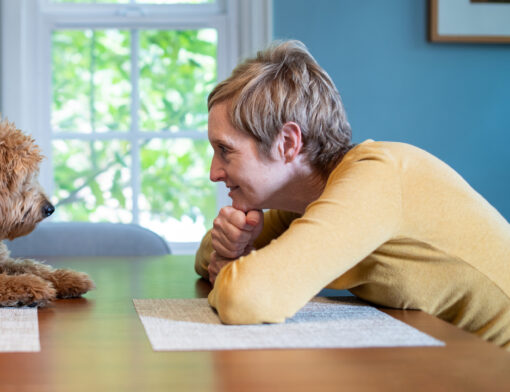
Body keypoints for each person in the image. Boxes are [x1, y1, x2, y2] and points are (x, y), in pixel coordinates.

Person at [195, 40, 510, 350]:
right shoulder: (304, 204)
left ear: (288, 143)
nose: (214, 172)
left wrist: (228, 271)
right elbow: (205, 259)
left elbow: (247, 298)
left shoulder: (377, 178)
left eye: (225, 150)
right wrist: (228, 249)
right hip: (459, 357)